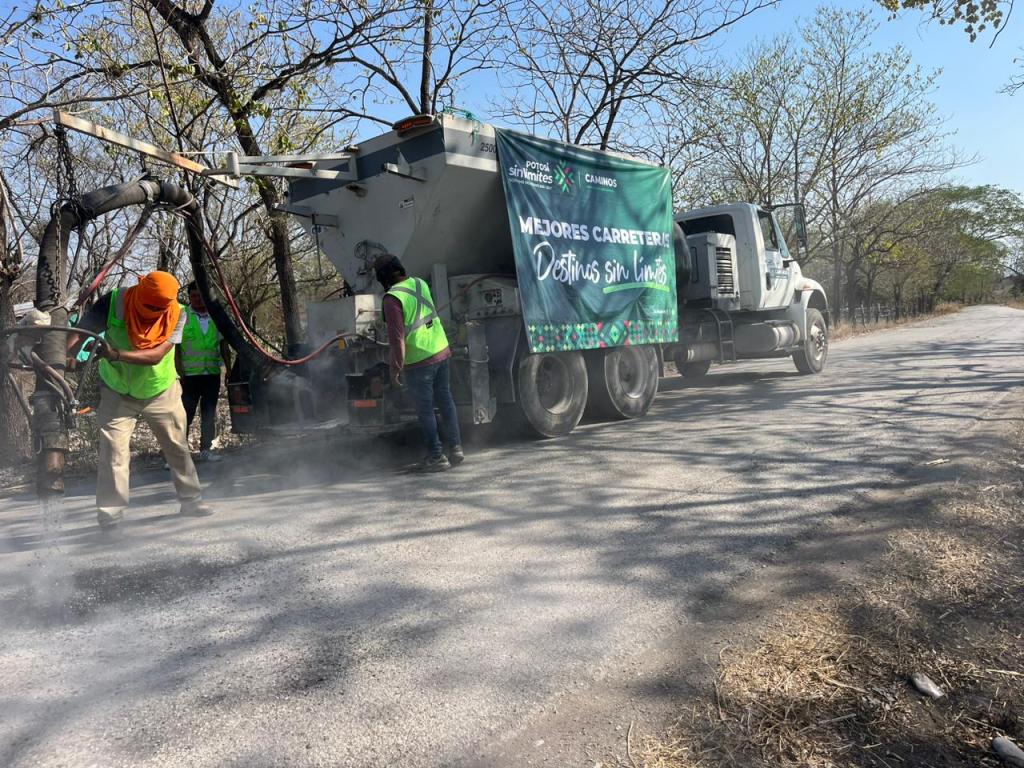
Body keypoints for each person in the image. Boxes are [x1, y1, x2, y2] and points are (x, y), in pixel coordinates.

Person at [69, 271, 213, 530]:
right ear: (140, 292)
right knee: (113, 453)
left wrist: (114, 354)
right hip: (118, 390)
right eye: (148, 306)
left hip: (161, 389)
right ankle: (110, 515)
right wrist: (67, 355)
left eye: (160, 308)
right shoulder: (113, 302)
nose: (153, 312)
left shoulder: (178, 314)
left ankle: (191, 501)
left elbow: (156, 354)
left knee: (177, 447)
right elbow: (81, 332)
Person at [374, 254, 464, 471]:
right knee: (445, 400)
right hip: (441, 350)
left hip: (419, 360)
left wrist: (395, 368)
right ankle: (456, 448)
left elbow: (397, 338)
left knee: (425, 409)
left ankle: (436, 456)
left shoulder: (392, 298)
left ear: (383, 276)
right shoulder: (419, 282)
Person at [177, 280, 231, 462]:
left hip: (212, 374)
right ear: (189, 297)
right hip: (189, 377)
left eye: (201, 296)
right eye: (194, 296)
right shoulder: (182, 316)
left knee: (208, 413)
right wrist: (179, 372)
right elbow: (175, 348)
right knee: (185, 414)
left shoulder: (215, 316)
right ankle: (178, 455)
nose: (198, 300)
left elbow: (223, 344)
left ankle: (206, 449)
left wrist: (229, 369)